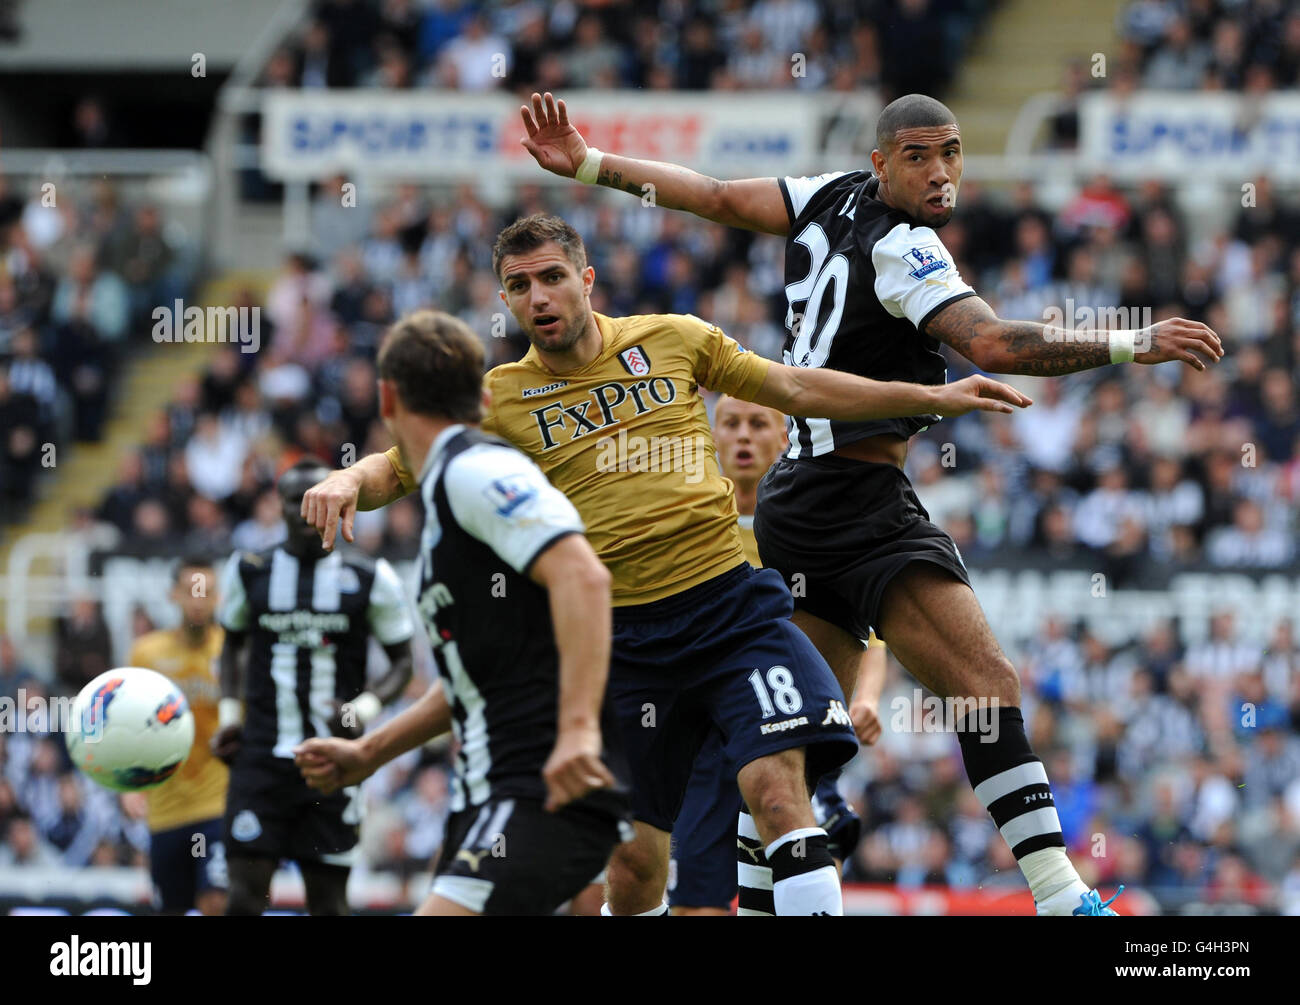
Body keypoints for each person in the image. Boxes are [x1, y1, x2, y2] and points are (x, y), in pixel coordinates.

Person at [516, 91, 1224, 914]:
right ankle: (1065, 898)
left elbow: (709, 196)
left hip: (796, 504)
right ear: (883, 161)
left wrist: (593, 164)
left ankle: (750, 899)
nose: (940, 172)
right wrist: (1130, 341)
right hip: (856, 504)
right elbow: (991, 343)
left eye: (952, 153)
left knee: (792, 751)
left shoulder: (826, 193)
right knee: (985, 683)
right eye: (918, 157)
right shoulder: (907, 248)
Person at [301, 214, 1030, 915]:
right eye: (520, 287)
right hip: (620, 644)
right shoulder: (500, 399)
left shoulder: (674, 339)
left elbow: (798, 388)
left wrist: (931, 396)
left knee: (780, 793)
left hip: (728, 613)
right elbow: (401, 463)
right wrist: (343, 481)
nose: (540, 297)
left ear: (586, 278)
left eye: (553, 277)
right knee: (635, 862)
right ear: (505, 300)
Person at [295, 312, 632, 915]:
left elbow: (583, 576)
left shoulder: (475, 471)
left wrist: (579, 731)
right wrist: (368, 754)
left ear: (386, 398)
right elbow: (473, 682)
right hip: (490, 795)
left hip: (538, 787)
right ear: (481, 395)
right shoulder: (452, 494)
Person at [672, 396, 886, 915]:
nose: (743, 436)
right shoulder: (689, 517)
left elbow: (866, 628)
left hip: (792, 714)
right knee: (693, 894)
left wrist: (870, 698)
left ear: (785, 438)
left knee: (803, 850)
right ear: (711, 436)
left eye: (757, 423)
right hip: (707, 726)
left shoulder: (804, 523)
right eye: (731, 424)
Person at [213, 459, 415, 916]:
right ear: (278, 506)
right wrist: (229, 719)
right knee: (244, 900)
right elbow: (231, 648)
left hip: (333, 762)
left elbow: (402, 663)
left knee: (329, 904)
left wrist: (359, 711)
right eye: (296, 501)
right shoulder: (249, 569)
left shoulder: (370, 576)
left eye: (319, 499)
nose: (309, 512)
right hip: (261, 759)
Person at [125, 555, 228, 915]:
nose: (198, 600)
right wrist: (126, 786)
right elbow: (127, 724)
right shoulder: (146, 654)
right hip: (165, 811)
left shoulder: (232, 650)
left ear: (219, 598)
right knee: (173, 908)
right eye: (191, 590)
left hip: (215, 807)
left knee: (215, 900)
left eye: (207, 591)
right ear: (173, 595)